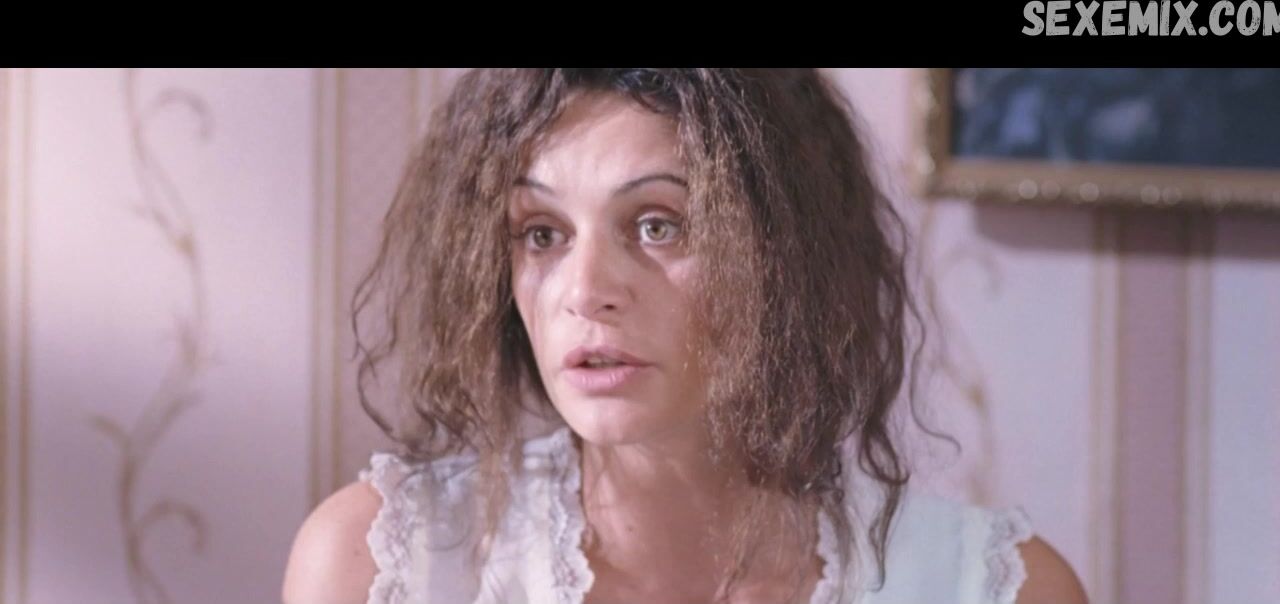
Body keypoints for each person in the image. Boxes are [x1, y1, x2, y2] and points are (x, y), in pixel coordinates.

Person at [282, 68, 1089, 604]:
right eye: (541, 233)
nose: (584, 292)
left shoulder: (996, 589)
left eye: (658, 225)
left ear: (785, 255)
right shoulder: (382, 566)